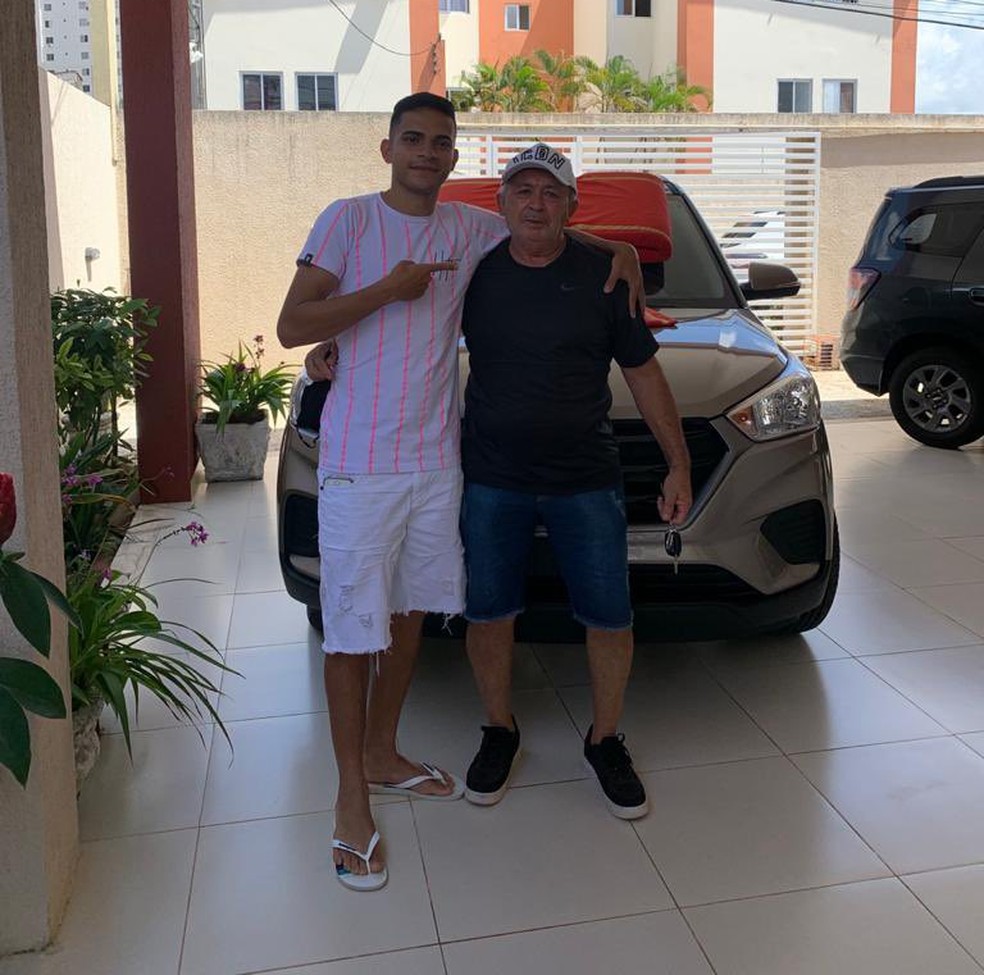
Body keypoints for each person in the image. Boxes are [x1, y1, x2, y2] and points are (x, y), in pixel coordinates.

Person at [278, 96, 643, 891]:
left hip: (437, 462)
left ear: (452, 157)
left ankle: (383, 751)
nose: (426, 151)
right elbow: (293, 324)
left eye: (440, 142)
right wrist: (386, 292)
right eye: (412, 138)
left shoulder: (468, 228)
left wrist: (619, 247)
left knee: (410, 614)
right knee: (351, 631)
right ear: (387, 148)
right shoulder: (347, 219)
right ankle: (350, 798)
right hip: (359, 464)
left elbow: (542, 228)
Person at [458, 144, 692, 820]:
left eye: (550, 192)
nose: (535, 203)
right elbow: (404, 316)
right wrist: (333, 347)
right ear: (501, 202)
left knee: (609, 615)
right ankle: (499, 729)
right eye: (522, 190)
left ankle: (605, 739)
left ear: (571, 205)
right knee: (488, 611)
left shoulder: (606, 277)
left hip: (585, 478)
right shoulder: (473, 270)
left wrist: (678, 462)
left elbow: (644, 373)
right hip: (492, 476)